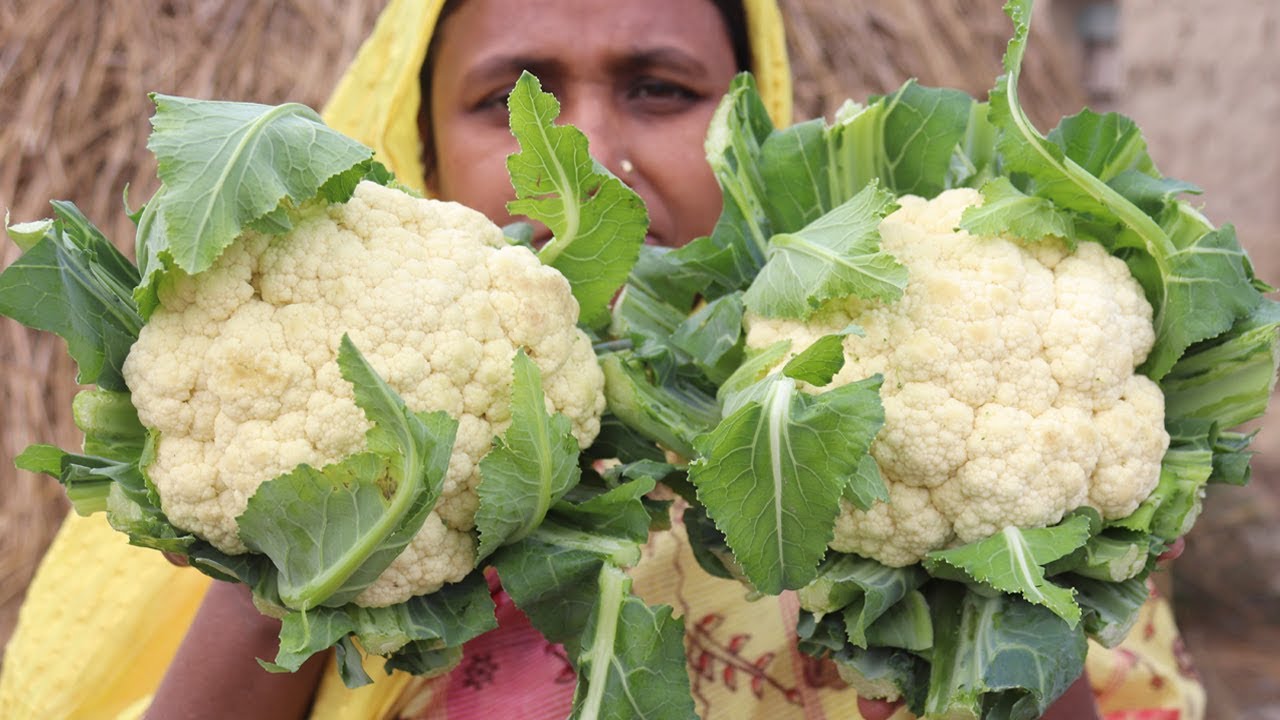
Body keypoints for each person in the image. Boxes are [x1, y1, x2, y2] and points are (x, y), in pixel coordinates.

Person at [0, 1, 1206, 719]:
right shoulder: (260, 407)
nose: (583, 154)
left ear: (752, 121)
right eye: (507, 102)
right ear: (413, 142)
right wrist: (312, 523)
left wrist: (993, 573)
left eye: (657, 87)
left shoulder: (920, 410)